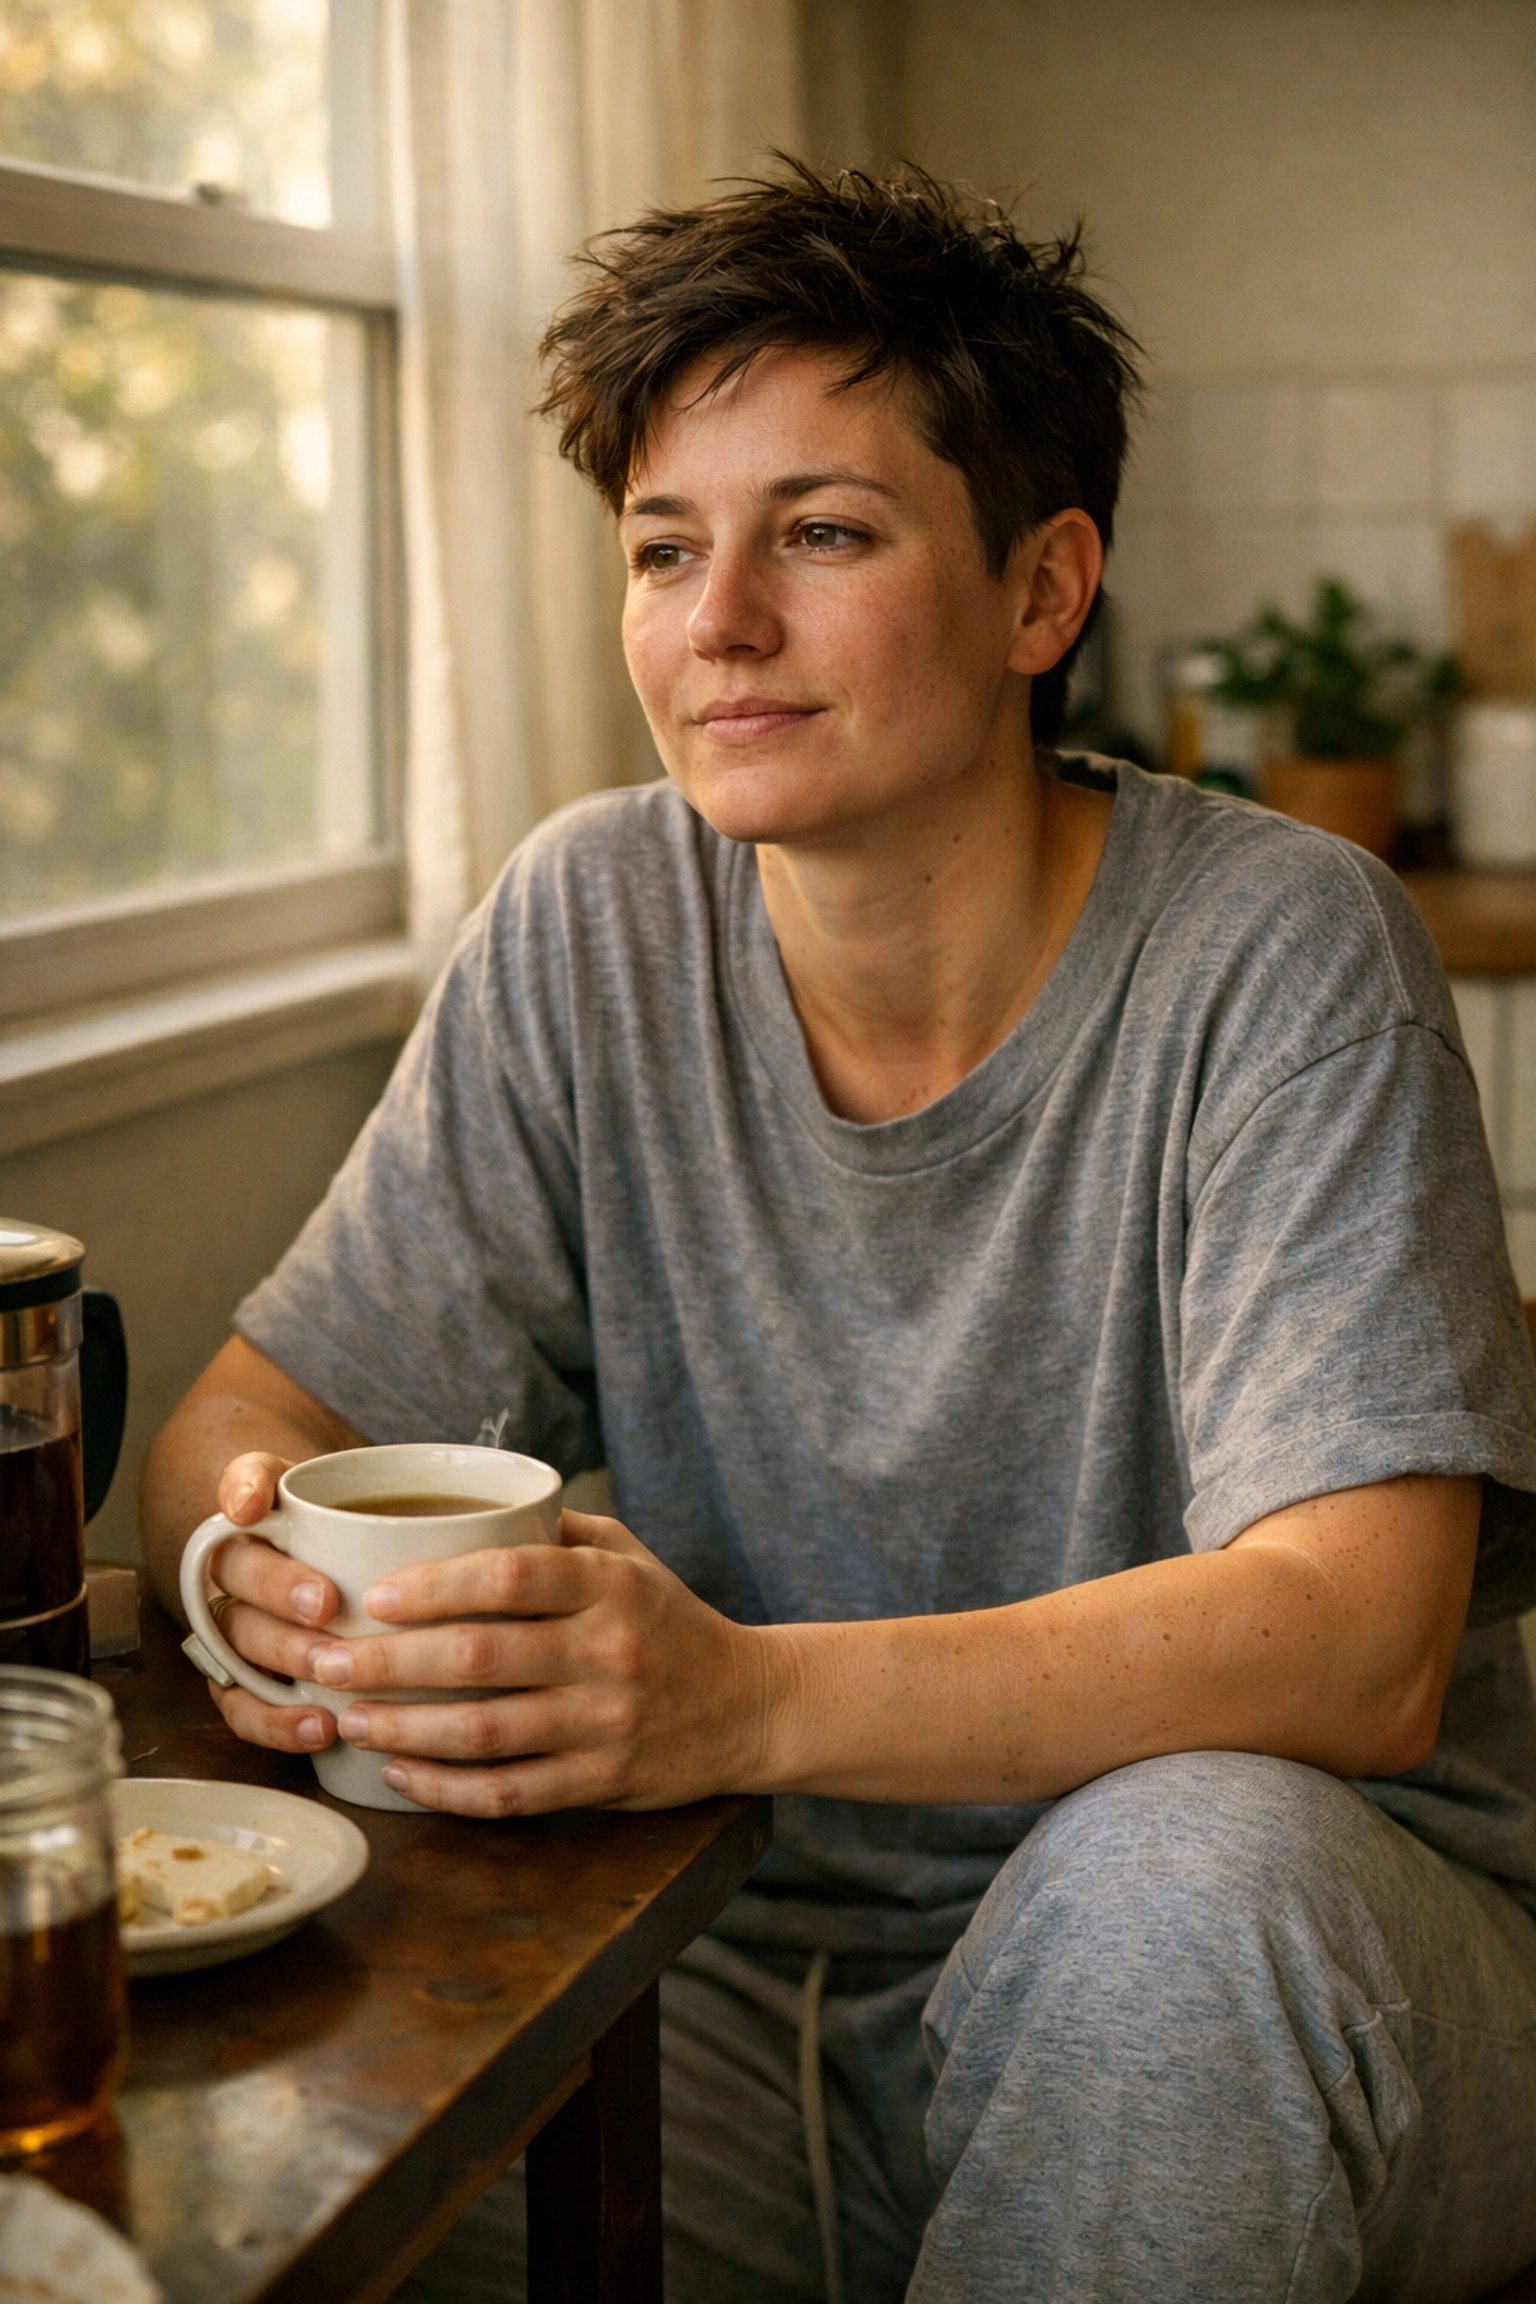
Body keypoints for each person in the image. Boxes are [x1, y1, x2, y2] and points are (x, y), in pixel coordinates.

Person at [143, 163, 1536, 2303]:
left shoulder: (1279, 945)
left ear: (1042, 590)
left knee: (1184, 1881)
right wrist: (261, 1583)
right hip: (740, 1989)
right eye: (664, 549)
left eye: (823, 532)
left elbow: (1361, 1645)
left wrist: (733, 1703)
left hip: (1297, 1986)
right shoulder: (588, 925)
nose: (718, 625)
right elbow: (261, 1409)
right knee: (267, 2141)